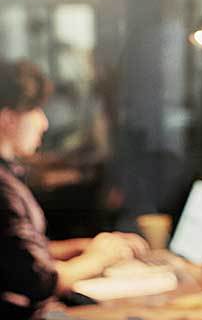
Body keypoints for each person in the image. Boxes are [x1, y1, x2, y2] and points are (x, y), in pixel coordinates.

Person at [0, 60, 148, 319]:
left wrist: (88, 246)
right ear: (8, 118)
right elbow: (38, 280)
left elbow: (16, 254)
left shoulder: (8, 176)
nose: (44, 123)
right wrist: (98, 259)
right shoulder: (3, 189)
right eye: (36, 110)